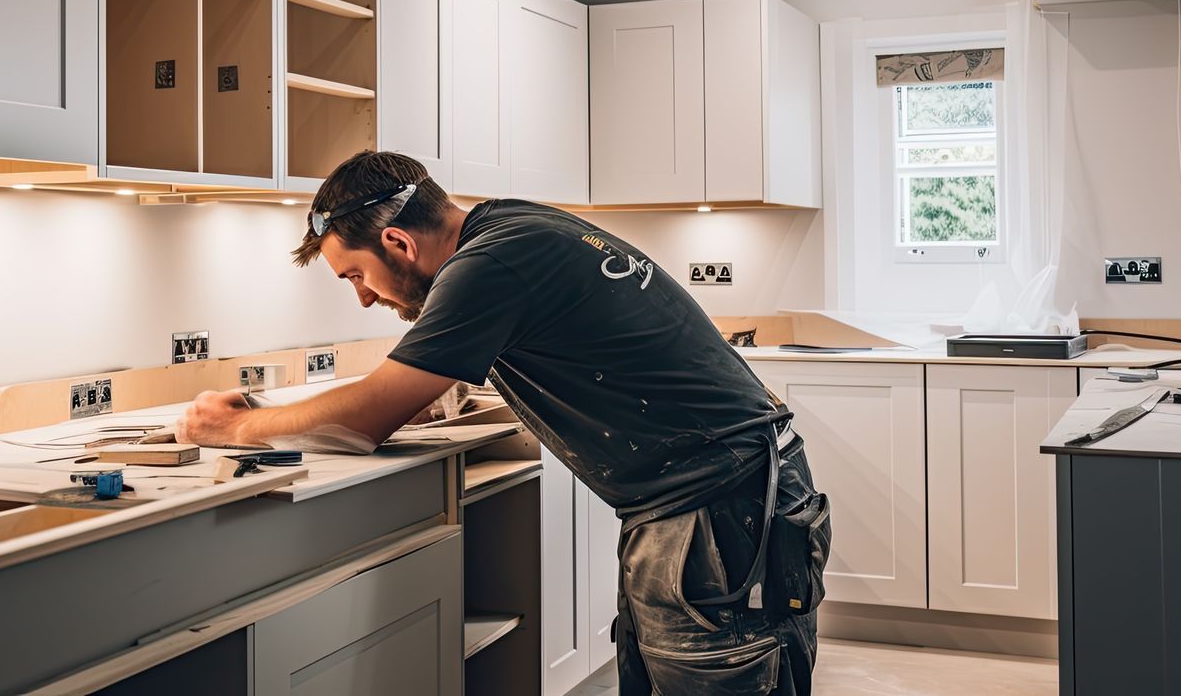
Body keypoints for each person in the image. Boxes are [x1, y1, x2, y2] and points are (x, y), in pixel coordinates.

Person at [177, 151, 830, 694]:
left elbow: (370, 417)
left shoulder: (487, 266)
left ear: (398, 242)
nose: (364, 296)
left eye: (357, 275)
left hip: (719, 513)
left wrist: (231, 428)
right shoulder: (510, 227)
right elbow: (455, 374)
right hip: (713, 503)